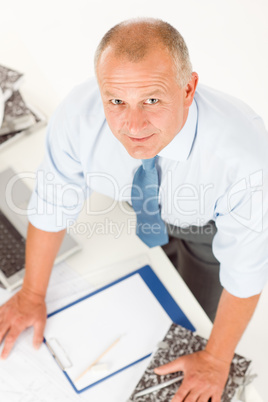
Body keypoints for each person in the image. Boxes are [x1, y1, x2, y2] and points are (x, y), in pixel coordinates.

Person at [0, 17, 267, 402]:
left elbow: (246, 271)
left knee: (193, 321)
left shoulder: (242, 156)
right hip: (133, 209)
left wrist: (215, 360)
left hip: (209, 229)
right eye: (117, 102)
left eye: (152, 100)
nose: (133, 124)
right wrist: (30, 295)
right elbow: (51, 204)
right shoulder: (79, 114)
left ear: (188, 88)